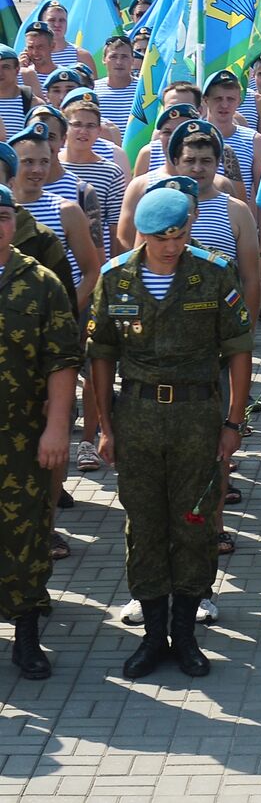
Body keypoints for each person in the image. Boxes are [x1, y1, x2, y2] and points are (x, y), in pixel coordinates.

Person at [86, 188, 253, 680]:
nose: (171, 246)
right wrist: (104, 427)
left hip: (197, 415)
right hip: (136, 413)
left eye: (179, 235)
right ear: (143, 232)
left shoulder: (213, 273)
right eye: (162, 237)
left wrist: (233, 422)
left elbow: (239, 349)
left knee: (195, 521)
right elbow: (101, 354)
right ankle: (153, 634)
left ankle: (185, 634)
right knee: (144, 522)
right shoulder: (116, 278)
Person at [0, 184, 80, 679]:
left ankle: (26, 634)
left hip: (21, 434)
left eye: (4, 216)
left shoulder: (41, 281)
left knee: (25, 532)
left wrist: (56, 428)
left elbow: (62, 359)